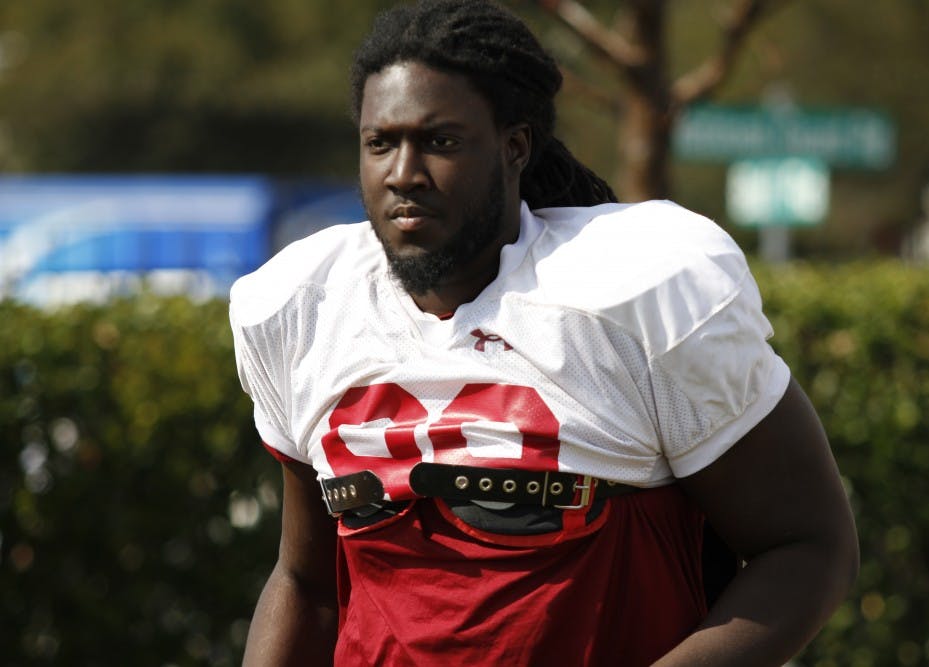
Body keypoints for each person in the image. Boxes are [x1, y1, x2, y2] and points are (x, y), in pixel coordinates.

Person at [229, 1, 859, 664]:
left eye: (440, 141)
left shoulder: (631, 297)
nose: (403, 174)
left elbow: (808, 546)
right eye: (380, 142)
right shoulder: (308, 308)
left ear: (515, 147)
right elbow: (306, 582)